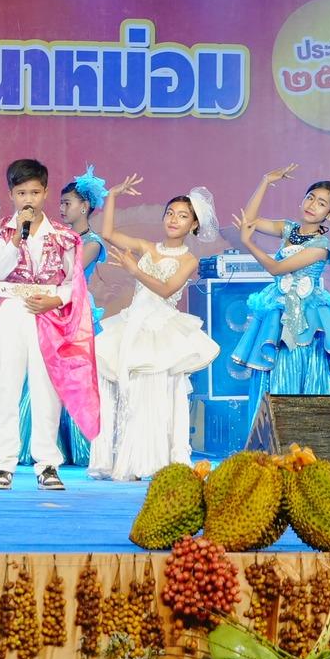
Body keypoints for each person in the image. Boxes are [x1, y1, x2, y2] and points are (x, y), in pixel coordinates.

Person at [88, 176, 221, 481]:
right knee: (128, 391)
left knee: (156, 394)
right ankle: (125, 459)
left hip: (161, 328)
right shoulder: (147, 247)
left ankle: (153, 461)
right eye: (170, 213)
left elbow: (166, 289)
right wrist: (112, 195)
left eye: (183, 216)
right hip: (133, 323)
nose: (174, 219)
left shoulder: (189, 260)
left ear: (194, 225)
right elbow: (107, 233)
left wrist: (135, 270)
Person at [0, 157, 98, 491]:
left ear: (45, 192)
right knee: (5, 387)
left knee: (47, 389)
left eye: (34, 192)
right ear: (11, 195)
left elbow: (74, 282)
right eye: (21, 193)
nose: (28, 200)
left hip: (48, 314)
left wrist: (55, 300)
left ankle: (47, 464)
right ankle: (1, 464)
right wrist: (16, 238)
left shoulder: (64, 236)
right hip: (9, 311)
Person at [230, 166, 330, 403]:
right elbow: (249, 220)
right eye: (310, 197)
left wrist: (248, 244)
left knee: (298, 368)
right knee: (273, 370)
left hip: (305, 316)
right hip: (279, 308)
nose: (312, 205)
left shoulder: (320, 248)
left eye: (321, 203)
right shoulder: (287, 228)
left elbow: (276, 268)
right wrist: (265, 181)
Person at [17, 168, 110, 467]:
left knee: (74, 376)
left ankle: (80, 448)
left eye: (67, 203)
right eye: (60, 202)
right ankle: (38, 445)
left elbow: (68, 274)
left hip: (73, 311)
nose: (61, 208)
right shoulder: (58, 236)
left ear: (84, 206)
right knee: (41, 374)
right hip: (47, 308)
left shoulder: (92, 242)